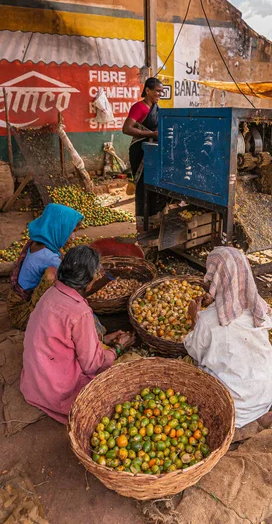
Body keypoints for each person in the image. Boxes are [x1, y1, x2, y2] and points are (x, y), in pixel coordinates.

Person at [21, 245, 135, 424]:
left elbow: (63, 337)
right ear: (88, 282)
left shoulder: (51, 292)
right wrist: (118, 348)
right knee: (124, 381)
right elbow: (93, 365)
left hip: (35, 383)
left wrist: (102, 340)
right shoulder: (79, 312)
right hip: (58, 392)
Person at [184, 246, 272, 428]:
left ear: (215, 278)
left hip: (237, 406)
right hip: (265, 391)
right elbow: (235, 309)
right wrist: (216, 300)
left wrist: (194, 317)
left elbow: (194, 350)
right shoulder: (259, 308)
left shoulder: (208, 321)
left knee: (197, 372)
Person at [7, 203, 84, 331]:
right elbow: (72, 283)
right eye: (72, 231)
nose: (73, 237)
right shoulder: (49, 259)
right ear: (59, 229)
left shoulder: (36, 241)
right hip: (23, 313)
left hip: (14, 301)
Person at [122, 77, 167, 232]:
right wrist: (149, 133)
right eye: (157, 91)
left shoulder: (156, 107)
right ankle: (144, 225)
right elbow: (126, 128)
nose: (160, 94)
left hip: (154, 150)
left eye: (161, 91)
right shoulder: (139, 107)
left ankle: (155, 221)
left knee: (156, 185)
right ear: (147, 90)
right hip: (140, 152)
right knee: (143, 186)